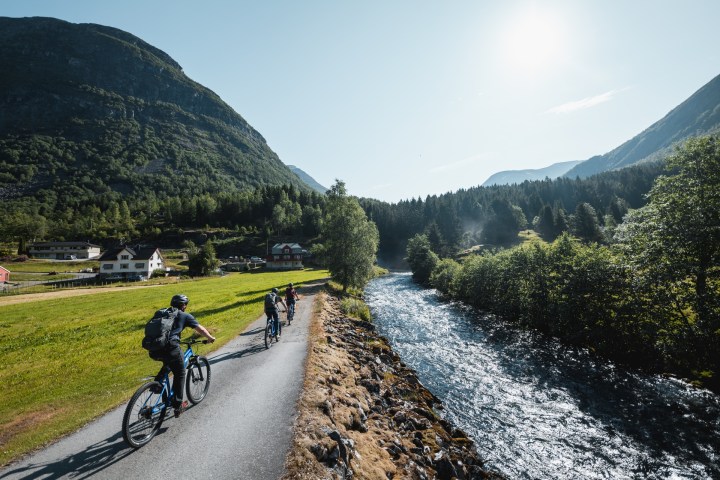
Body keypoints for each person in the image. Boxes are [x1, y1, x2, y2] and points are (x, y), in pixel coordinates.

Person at [151, 294, 215, 417]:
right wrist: (210, 338)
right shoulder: (185, 315)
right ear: (184, 305)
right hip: (171, 347)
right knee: (180, 372)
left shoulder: (162, 313)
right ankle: (177, 405)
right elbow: (200, 329)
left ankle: (157, 384)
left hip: (154, 348)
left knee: (170, 362)